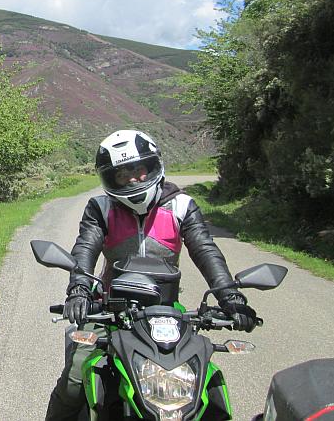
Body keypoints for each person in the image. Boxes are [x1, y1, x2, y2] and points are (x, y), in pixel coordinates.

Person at [45, 129, 258, 421]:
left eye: (138, 169)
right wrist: (79, 291)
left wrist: (230, 297)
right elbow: (85, 249)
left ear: (152, 166)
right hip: (109, 308)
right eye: (121, 174)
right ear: (110, 179)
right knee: (74, 379)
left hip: (167, 311)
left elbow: (206, 251)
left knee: (202, 376)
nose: (132, 178)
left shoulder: (181, 205)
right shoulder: (101, 208)